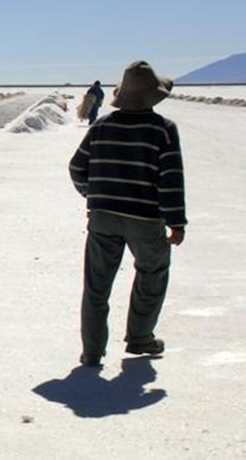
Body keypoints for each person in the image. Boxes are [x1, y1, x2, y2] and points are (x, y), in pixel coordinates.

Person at [69, 61, 185, 368]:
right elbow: (171, 179)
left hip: (103, 217)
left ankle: (92, 352)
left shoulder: (102, 125)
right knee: (153, 272)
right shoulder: (163, 129)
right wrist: (176, 222)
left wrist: (94, 196)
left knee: (97, 284)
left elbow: (77, 168)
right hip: (145, 219)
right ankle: (140, 337)